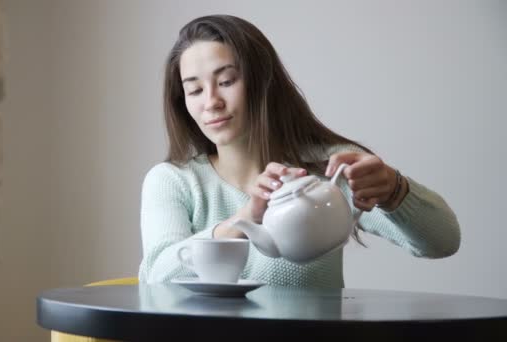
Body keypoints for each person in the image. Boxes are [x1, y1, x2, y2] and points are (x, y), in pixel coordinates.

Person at [138, 14, 460, 287]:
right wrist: (246, 219)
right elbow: (156, 275)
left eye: (226, 81)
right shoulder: (173, 181)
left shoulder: (324, 173)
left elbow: (444, 242)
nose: (211, 102)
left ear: (263, 84)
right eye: (194, 89)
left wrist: (394, 189)